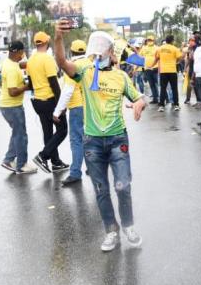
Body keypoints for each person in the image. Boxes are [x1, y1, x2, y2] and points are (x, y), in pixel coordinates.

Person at [54, 22, 147, 251]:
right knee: (101, 189)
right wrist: (57, 38)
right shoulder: (84, 73)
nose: (98, 53)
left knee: (123, 186)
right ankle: (111, 231)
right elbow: (62, 63)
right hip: (92, 142)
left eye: (102, 49)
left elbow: (139, 97)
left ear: (111, 53)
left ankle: (128, 225)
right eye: (94, 49)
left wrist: (138, 105)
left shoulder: (121, 77)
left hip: (117, 140)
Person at [28, 31, 69, 174]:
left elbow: (31, 84)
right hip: (50, 101)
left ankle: (56, 162)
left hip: (38, 102)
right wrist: (61, 106)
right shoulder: (47, 59)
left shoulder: (30, 60)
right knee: (62, 130)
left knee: (48, 133)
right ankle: (42, 156)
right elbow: (53, 83)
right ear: (46, 42)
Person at [0, 41, 37, 175]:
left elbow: (21, 65)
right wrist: (27, 86)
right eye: (22, 52)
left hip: (7, 105)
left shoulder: (9, 62)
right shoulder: (12, 69)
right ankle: (21, 165)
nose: (23, 54)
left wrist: (33, 63)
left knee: (16, 134)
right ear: (17, 52)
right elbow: (12, 91)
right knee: (21, 136)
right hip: (12, 106)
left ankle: (8, 160)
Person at [54, 39, 87, 186]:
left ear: (72, 51)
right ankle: (93, 167)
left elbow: (67, 91)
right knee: (90, 138)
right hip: (91, 107)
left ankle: (75, 173)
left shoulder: (72, 66)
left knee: (76, 141)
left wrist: (57, 111)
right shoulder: (91, 64)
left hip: (77, 107)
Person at [155, 34, 182, 112]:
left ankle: (161, 106)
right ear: (172, 41)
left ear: (165, 40)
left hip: (163, 71)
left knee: (163, 89)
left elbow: (157, 58)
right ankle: (176, 105)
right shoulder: (175, 48)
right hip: (172, 71)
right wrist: (175, 62)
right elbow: (179, 58)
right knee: (174, 88)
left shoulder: (160, 48)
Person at [141, 36, 160, 103]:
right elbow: (141, 57)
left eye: (151, 40)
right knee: (151, 85)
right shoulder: (144, 48)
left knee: (157, 84)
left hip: (155, 68)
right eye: (148, 40)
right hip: (147, 69)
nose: (149, 41)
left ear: (154, 41)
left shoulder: (157, 48)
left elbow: (159, 58)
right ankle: (155, 99)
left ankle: (162, 98)